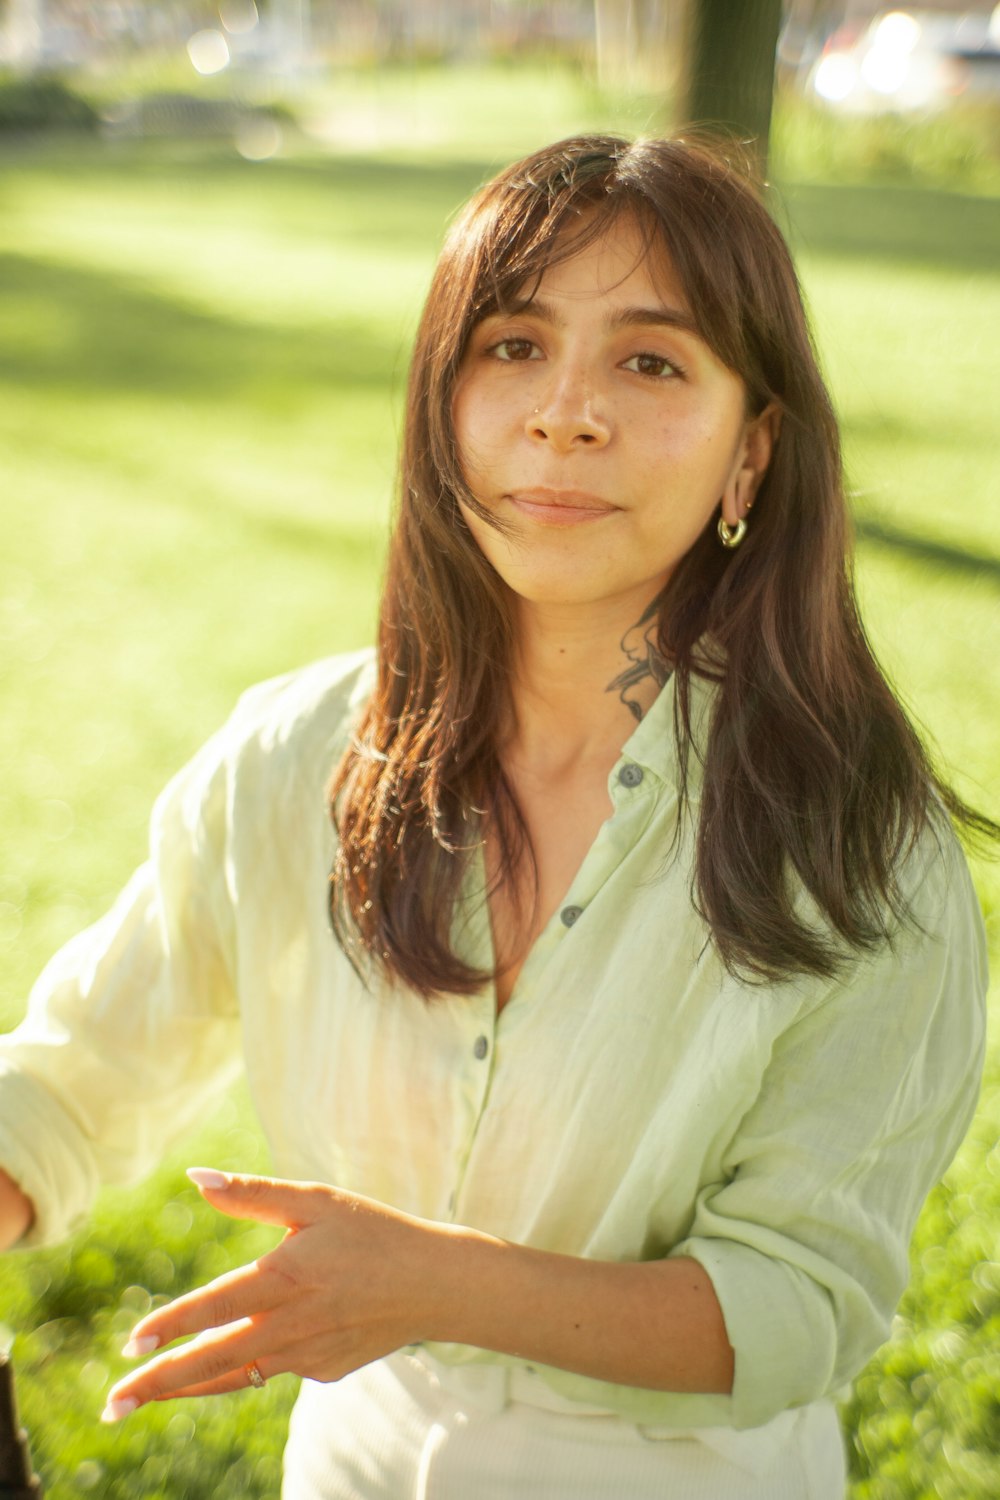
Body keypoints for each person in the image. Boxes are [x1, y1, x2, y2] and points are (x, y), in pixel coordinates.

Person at [0, 134, 991, 1500]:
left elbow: (801, 1303)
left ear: (753, 451)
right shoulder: (291, 758)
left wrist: (435, 1287)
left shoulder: (864, 857)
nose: (565, 412)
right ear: (440, 402)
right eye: (513, 345)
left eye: (651, 361)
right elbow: (74, 1073)